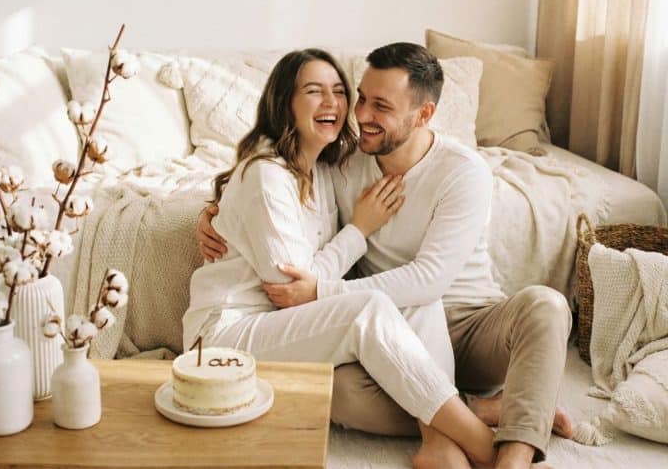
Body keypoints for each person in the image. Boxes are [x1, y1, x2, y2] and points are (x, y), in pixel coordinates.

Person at [197, 43, 574, 469]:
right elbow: (268, 183)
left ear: (424, 115)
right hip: (388, 338)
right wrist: (213, 212)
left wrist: (321, 290)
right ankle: (477, 412)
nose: (359, 115)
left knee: (547, 306)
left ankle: (514, 458)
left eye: (381, 106)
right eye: (360, 97)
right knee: (334, 390)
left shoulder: (462, 171)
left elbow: (427, 281)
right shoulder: (338, 162)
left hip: (467, 326)